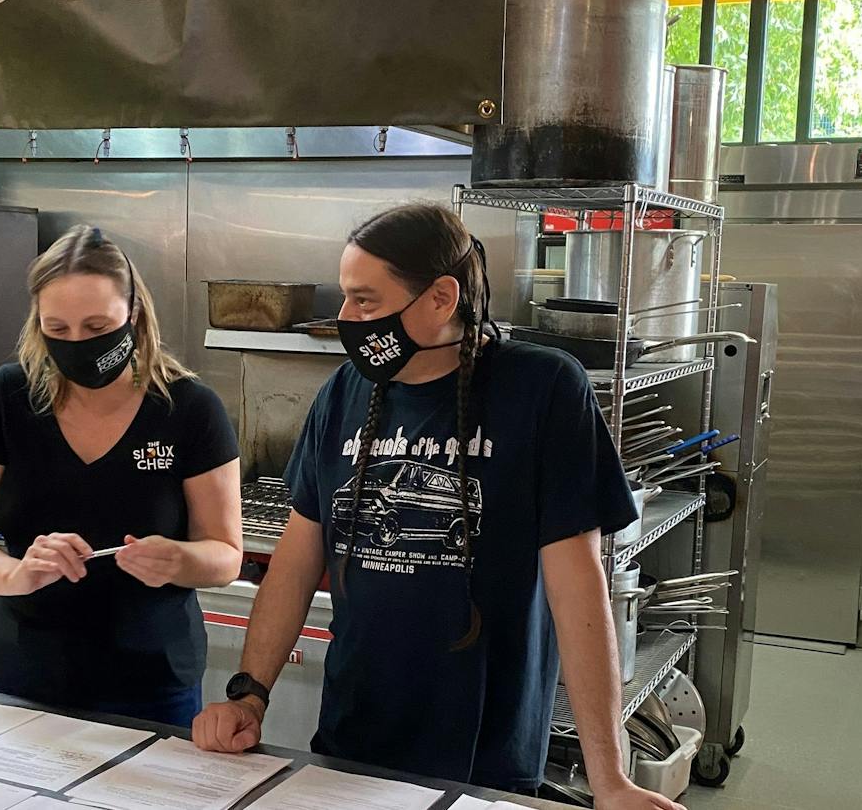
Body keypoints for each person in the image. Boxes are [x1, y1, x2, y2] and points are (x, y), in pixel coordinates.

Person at [193, 204, 681, 810]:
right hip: (353, 739)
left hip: (484, 754)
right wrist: (249, 694)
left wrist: (608, 779)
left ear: (441, 298)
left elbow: (578, 587)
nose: (345, 319)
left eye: (365, 301)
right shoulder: (343, 392)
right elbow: (293, 566)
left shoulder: (543, 390)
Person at [0, 224, 243, 728]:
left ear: (134, 314)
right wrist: (15, 574)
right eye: (57, 330)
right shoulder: (6, 397)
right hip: (25, 678)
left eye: (97, 328)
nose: (76, 343)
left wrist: (178, 559)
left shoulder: (190, 408)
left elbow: (225, 555)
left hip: (153, 686)